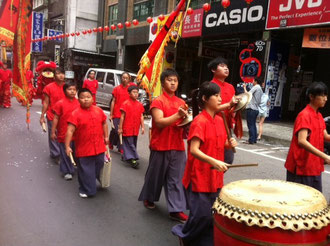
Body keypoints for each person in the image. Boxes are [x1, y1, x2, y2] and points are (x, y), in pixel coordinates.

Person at [172, 81, 237, 246]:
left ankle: (205, 242)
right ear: (205, 99)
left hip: (215, 176)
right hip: (199, 175)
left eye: (220, 95)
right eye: (216, 95)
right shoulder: (199, 121)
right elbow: (194, 149)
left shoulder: (220, 120)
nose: (220, 99)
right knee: (201, 214)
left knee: (214, 213)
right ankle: (185, 235)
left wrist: (231, 144)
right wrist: (214, 161)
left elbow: (220, 145)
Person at [138, 68, 189, 223]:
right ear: (163, 82)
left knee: (176, 179)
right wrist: (178, 115)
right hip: (160, 145)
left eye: (175, 80)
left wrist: (188, 122)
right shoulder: (158, 101)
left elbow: (184, 124)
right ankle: (149, 197)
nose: (173, 83)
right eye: (169, 80)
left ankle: (175, 210)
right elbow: (159, 123)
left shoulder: (182, 103)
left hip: (177, 146)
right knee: (155, 176)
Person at [285, 82, 330, 192]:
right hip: (301, 167)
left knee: (315, 202)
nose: (326, 99)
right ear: (311, 96)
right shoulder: (304, 115)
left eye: (326, 95)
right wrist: (325, 156)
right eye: (323, 95)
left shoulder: (319, 116)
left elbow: (325, 136)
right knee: (300, 203)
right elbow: (302, 141)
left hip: (313, 166)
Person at [65, 88, 109, 198]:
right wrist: (67, 146)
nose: (86, 100)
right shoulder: (75, 113)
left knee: (99, 164)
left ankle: (89, 181)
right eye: (83, 98)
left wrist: (106, 136)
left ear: (92, 98)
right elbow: (70, 131)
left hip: (99, 146)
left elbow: (104, 123)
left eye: (88, 97)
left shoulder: (98, 110)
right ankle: (85, 189)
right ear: (78, 99)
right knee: (85, 169)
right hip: (84, 147)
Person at [208, 57, 238, 164]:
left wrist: (234, 110)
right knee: (215, 157)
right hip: (213, 126)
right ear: (213, 70)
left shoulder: (230, 87)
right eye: (222, 66)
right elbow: (211, 109)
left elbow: (233, 107)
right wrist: (229, 105)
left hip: (227, 127)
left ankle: (215, 178)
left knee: (228, 159)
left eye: (227, 67)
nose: (226, 69)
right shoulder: (210, 86)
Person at [51, 81, 80, 180]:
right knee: (65, 152)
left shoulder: (79, 103)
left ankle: (74, 166)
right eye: (70, 89)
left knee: (76, 151)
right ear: (64, 91)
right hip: (64, 132)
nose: (72, 91)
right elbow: (55, 118)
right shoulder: (60, 103)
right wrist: (53, 131)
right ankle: (67, 171)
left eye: (74, 89)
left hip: (77, 133)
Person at [40, 67, 66, 164]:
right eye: (58, 73)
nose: (61, 75)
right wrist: (42, 115)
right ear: (54, 76)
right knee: (53, 135)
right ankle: (56, 154)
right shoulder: (49, 87)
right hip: (52, 114)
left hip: (65, 115)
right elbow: (46, 103)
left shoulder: (67, 87)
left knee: (63, 135)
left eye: (62, 73)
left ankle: (59, 153)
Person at [118, 85, 145, 168]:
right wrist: (120, 128)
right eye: (134, 92)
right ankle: (133, 159)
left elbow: (141, 116)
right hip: (127, 127)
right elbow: (122, 116)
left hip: (135, 128)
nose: (136, 94)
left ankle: (126, 155)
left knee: (132, 143)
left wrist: (143, 127)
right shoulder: (125, 104)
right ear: (129, 93)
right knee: (130, 144)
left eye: (137, 92)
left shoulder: (140, 105)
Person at [109, 72, 135, 153]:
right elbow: (113, 101)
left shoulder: (130, 89)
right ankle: (111, 141)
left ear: (129, 79)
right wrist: (111, 114)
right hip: (117, 113)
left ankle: (120, 146)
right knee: (116, 130)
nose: (124, 79)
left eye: (126, 78)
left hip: (127, 113)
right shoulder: (116, 89)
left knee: (123, 131)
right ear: (121, 78)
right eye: (123, 77)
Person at [243, 78, 263, 144]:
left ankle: (251, 139)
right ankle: (254, 139)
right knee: (253, 124)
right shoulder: (260, 89)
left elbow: (248, 94)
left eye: (253, 81)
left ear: (256, 81)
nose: (252, 82)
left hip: (251, 108)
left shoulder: (256, 87)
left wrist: (244, 88)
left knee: (250, 125)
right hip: (256, 109)